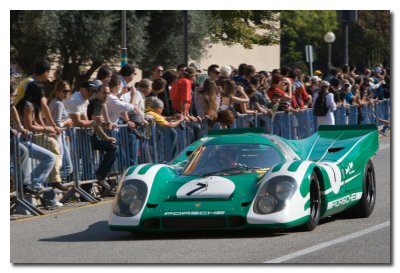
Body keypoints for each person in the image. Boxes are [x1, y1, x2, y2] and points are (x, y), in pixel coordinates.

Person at [15, 81, 68, 192]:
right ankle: (35, 184)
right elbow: (29, 126)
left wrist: (47, 130)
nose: (43, 97)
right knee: (50, 157)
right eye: (41, 94)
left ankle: (34, 184)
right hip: (21, 140)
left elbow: (36, 123)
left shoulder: (31, 105)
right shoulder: (28, 106)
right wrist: (45, 129)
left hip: (24, 140)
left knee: (50, 157)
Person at [87, 84, 119, 195]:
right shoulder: (96, 104)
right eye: (104, 93)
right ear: (98, 93)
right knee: (113, 147)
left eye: (108, 93)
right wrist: (106, 137)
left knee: (88, 163)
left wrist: (106, 124)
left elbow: (98, 123)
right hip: (88, 137)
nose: (106, 95)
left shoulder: (99, 104)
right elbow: (95, 123)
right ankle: (101, 175)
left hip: (90, 136)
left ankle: (99, 178)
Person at [14, 60, 60, 135]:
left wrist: (46, 128)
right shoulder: (33, 84)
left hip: (21, 119)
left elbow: (38, 110)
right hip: (19, 122)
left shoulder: (30, 81)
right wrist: (53, 126)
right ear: (46, 72)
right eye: (49, 72)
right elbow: (44, 106)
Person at [48, 80, 74, 181]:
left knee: (63, 167)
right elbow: (57, 123)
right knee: (64, 167)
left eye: (69, 91)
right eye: (64, 91)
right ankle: (49, 188)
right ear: (57, 91)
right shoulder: (58, 103)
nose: (67, 93)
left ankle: (51, 189)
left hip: (59, 137)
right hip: (57, 137)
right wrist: (67, 122)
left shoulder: (56, 102)